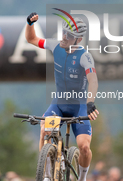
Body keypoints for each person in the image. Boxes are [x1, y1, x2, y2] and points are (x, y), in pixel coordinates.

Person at [25, 12, 99, 181]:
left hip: (79, 107)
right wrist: (29, 24)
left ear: (78, 39)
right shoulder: (55, 45)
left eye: (70, 35)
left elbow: (93, 81)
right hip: (58, 104)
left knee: (84, 147)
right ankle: (47, 174)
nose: (64, 37)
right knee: (45, 129)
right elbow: (32, 39)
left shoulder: (85, 57)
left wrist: (90, 102)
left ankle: (82, 178)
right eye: (63, 32)